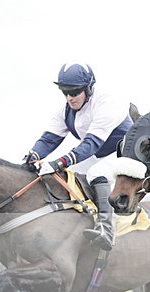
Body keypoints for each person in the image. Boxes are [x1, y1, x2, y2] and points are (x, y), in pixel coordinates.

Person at [24, 63, 133, 250]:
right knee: (65, 176)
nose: (69, 98)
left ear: (89, 88)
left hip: (123, 153)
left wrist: (59, 161)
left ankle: (106, 230)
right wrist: (33, 155)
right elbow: (50, 138)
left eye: (74, 92)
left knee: (95, 172)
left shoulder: (106, 103)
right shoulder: (66, 110)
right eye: (64, 92)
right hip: (98, 154)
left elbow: (91, 144)